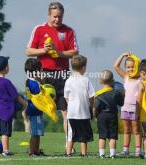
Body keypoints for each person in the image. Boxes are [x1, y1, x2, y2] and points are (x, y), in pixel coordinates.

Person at [25, 1, 78, 150]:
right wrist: (44, 50)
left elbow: (75, 52)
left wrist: (59, 53)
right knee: (38, 112)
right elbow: (28, 51)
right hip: (43, 76)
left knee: (67, 112)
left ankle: (69, 145)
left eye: (60, 17)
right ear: (48, 15)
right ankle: (34, 148)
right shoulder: (39, 29)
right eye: (54, 17)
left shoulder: (69, 31)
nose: (57, 20)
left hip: (63, 76)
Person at [0, 56, 27, 156]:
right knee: (5, 133)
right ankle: (6, 151)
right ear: (6, 68)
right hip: (6, 111)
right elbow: (16, 96)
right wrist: (25, 103)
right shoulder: (6, 82)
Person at [64, 55, 94, 156]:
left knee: (72, 133)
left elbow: (66, 96)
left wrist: (70, 105)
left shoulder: (68, 80)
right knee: (84, 134)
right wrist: (91, 106)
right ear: (83, 68)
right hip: (83, 112)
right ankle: (83, 153)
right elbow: (91, 96)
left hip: (71, 113)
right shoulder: (86, 80)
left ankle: (68, 152)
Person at [113, 52, 141, 157]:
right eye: (128, 67)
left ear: (137, 66)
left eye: (132, 67)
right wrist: (122, 55)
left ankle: (138, 151)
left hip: (135, 109)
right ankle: (126, 150)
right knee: (127, 130)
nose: (130, 69)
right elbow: (115, 66)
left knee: (136, 130)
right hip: (125, 108)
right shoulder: (125, 77)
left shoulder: (140, 79)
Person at [93, 70, 124, 159]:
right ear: (112, 80)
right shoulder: (116, 92)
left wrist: (95, 116)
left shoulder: (98, 94)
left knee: (102, 136)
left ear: (101, 81)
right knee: (112, 136)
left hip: (101, 116)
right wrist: (122, 95)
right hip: (113, 116)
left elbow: (95, 108)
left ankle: (102, 154)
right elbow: (121, 103)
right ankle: (112, 154)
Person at [24, 58, 46, 156]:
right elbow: (39, 93)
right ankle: (32, 151)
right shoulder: (31, 82)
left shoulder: (34, 81)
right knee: (34, 133)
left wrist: (41, 81)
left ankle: (36, 150)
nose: (42, 70)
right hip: (34, 110)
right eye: (40, 69)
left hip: (37, 110)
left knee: (38, 132)